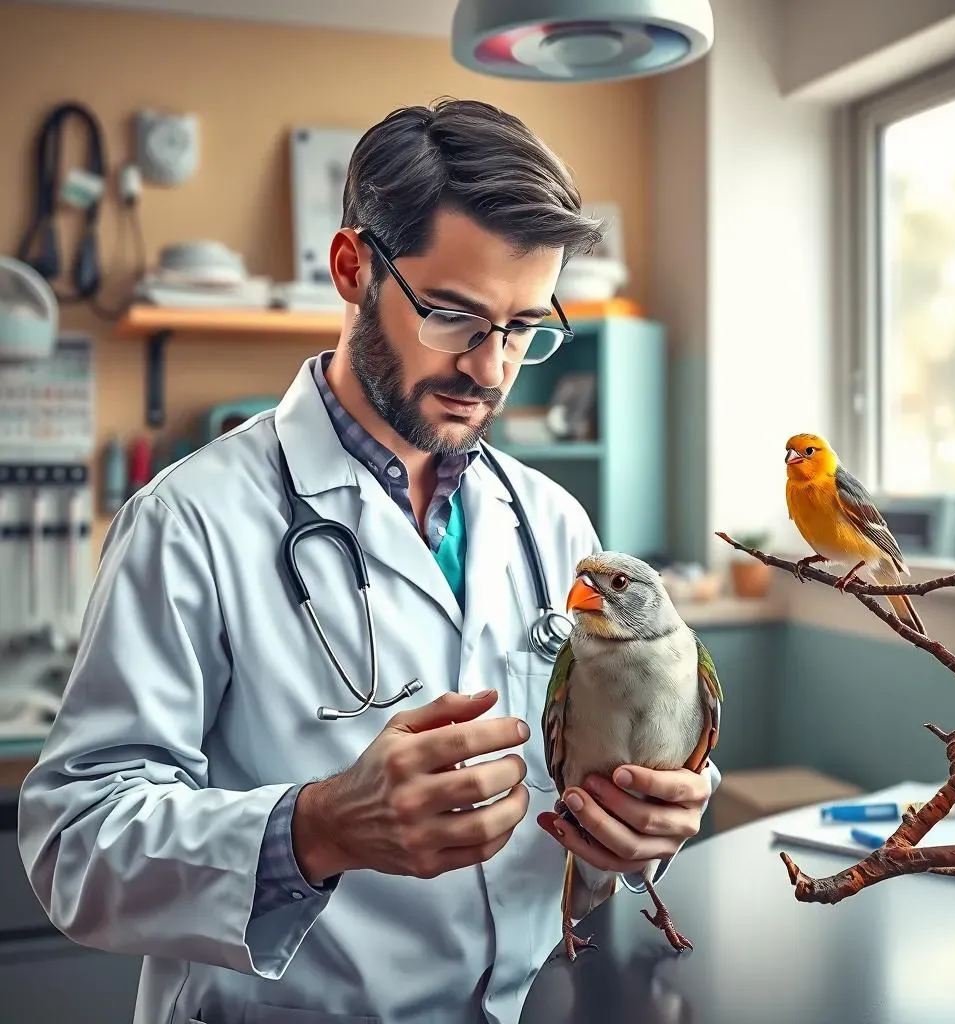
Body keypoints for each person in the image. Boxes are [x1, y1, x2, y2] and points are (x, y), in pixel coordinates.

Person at [18, 97, 719, 1024]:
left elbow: (592, 779)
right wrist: (316, 827)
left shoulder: (552, 521)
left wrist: (648, 824)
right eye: (455, 316)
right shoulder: (189, 521)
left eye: (522, 328)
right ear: (352, 269)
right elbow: (74, 843)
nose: (492, 369)